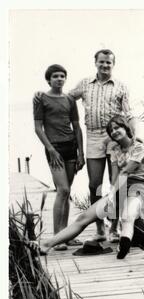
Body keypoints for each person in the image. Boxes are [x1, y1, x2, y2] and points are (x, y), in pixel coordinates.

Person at [34, 115, 144, 259]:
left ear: (125, 127)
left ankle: (123, 246)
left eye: (117, 127)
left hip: (136, 189)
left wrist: (113, 194)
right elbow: (115, 176)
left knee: (128, 215)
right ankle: (46, 244)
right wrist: (113, 194)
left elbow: (126, 171)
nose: (114, 132)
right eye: (111, 130)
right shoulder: (114, 150)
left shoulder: (139, 147)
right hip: (119, 189)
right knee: (83, 218)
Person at [69, 49, 138, 243]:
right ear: (95, 62)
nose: (105, 65)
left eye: (108, 63)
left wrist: (135, 138)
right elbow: (67, 100)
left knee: (117, 184)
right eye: (102, 62)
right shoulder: (85, 84)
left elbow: (129, 114)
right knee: (94, 185)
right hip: (92, 136)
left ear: (113, 64)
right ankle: (100, 228)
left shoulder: (121, 86)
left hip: (114, 137)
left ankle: (114, 228)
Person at [33, 64, 85, 251]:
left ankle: (66, 236)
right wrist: (50, 148)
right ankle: (57, 238)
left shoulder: (70, 99)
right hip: (54, 148)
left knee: (67, 191)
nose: (59, 79)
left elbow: (77, 126)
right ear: (49, 79)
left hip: (71, 147)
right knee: (62, 189)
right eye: (55, 76)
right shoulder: (41, 99)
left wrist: (81, 152)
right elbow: (38, 128)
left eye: (62, 76)